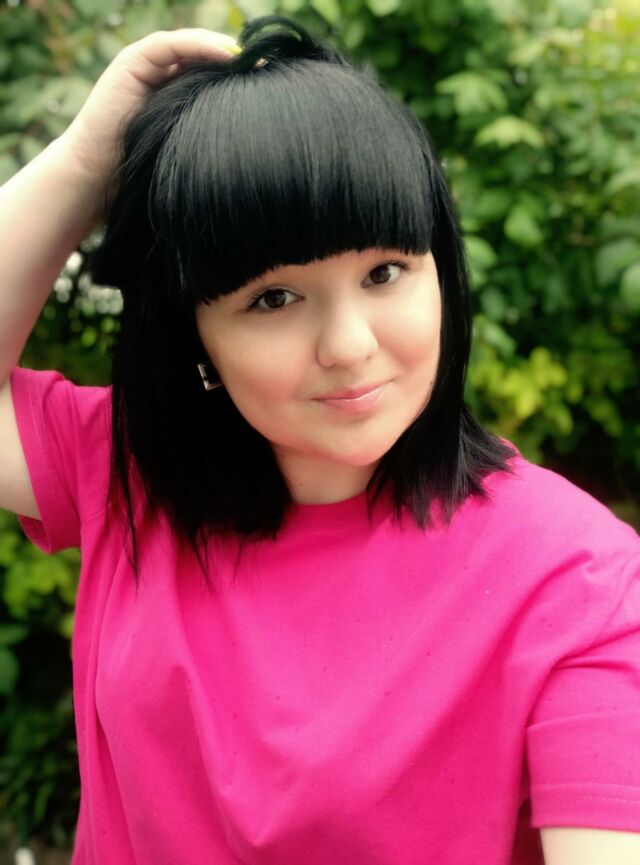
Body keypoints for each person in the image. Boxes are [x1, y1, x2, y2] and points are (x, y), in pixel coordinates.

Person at [0, 14, 639, 865]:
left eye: (384, 272)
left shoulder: (577, 582)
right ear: (196, 338)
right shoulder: (128, 472)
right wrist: (86, 161)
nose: (349, 345)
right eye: (273, 299)